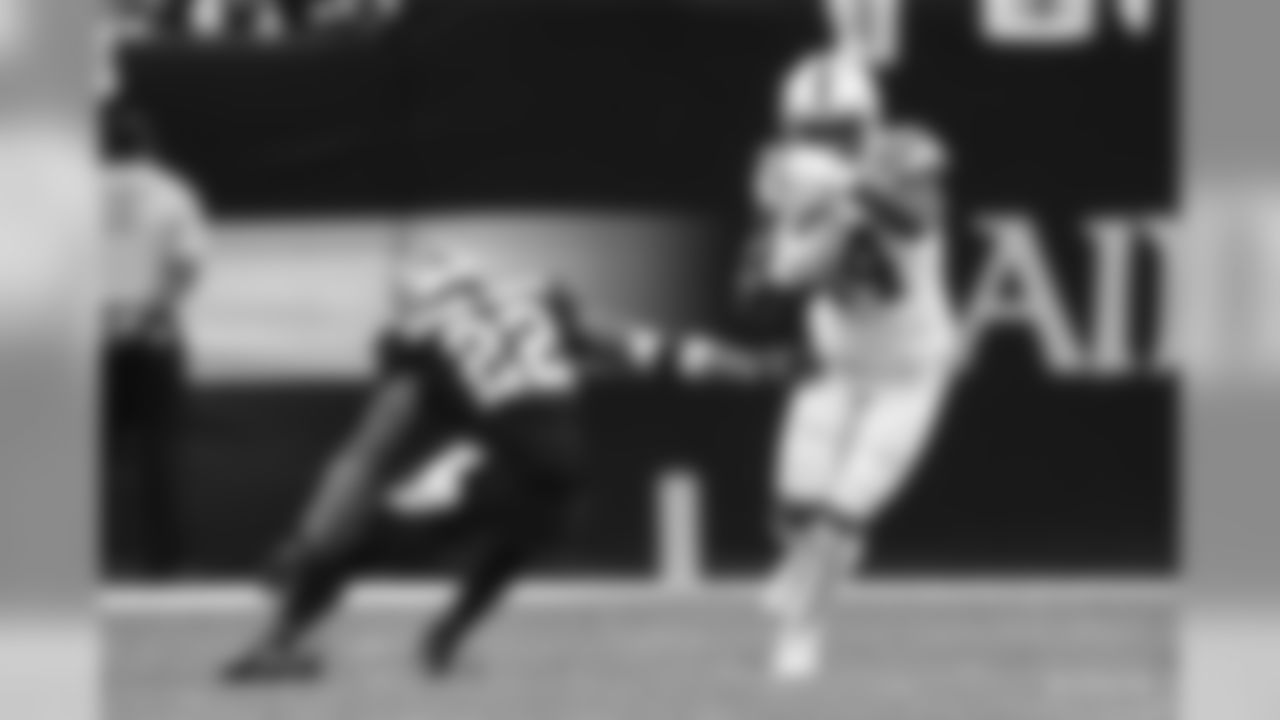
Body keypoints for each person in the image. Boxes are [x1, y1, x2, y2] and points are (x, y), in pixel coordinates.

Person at [224, 248, 669, 682]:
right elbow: (624, 346)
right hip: (565, 468)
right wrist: (693, 356)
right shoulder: (537, 300)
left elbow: (369, 450)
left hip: (499, 461)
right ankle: (445, 638)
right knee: (526, 533)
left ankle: (279, 641)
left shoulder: (421, 336)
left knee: (358, 542)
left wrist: (310, 538)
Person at [103, 103, 209, 578]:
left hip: (92, 339)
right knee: (157, 453)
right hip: (153, 337)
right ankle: (164, 562)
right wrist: (151, 311)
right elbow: (187, 264)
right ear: (147, 145)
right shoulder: (171, 192)